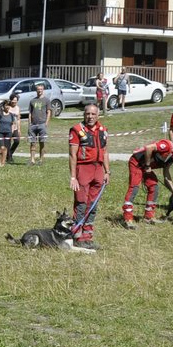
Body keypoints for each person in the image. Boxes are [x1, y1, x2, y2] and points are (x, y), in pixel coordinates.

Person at [122, 137, 173, 226]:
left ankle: (148, 217)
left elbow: (166, 174)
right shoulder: (168, 146)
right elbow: (149, 148)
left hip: (146, 167)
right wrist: (147, 166)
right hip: (137, 163)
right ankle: (127, 218)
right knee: (134, 187)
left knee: (154, 187)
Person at [68, 102, 109, 247]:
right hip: (83, 169)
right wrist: (73, 177)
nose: (90, 117)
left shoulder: (103, 130)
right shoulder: (76, 130)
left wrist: (107, 171)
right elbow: (72, 155)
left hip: (98, 170)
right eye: (87, 114)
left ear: (98, 115)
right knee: (81, 202)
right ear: (84, 115)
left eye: (93, 114)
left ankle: (87, 236)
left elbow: (105, 152)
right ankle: (77, 236)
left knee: (93, 203)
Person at [27, 82, 53, 164]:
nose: (39, 91)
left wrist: (46, 123)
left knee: (42, 142)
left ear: (43, 90)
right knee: (32, 142)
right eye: (38, 89)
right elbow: (30, 113)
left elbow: (49, 112)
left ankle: (41, 159)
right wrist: (30, 123)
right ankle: (32, 159)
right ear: (36, 90)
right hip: (33, 124)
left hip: (42, 124)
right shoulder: (32, 100)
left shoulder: (46, 100)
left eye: (41, 89)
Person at [0, 100, 21, 166]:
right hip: (0, 133)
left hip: (8, 133)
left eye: (8, 105)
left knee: (6, 148)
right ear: (3, 106)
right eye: (6, 105)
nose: (7, 107)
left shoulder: (11, 115)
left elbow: (13, 123)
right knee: (1, 147)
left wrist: (12, 131)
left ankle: (3, 163)